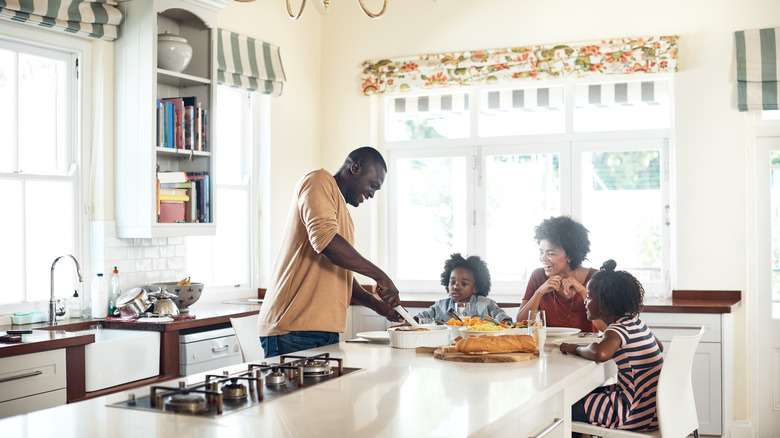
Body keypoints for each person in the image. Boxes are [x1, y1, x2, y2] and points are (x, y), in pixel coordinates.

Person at [258, 147, 402, 357]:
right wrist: (380, 276)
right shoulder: (318, 180)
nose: (372, 193)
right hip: (293, 329)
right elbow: (327, 244)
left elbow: (340, 275)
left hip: (325, 332)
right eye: (373, 185)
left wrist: (378, 306)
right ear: (355, 168)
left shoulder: (343, 214)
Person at [560, 259, 664, 434]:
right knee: (583, 395)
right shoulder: (635, 323)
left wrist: (575, 348)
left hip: (631, 412)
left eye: (590, 297)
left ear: (606, 302)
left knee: (564, 407)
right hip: (653, 411)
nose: (585, 301)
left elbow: (601, 354)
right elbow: (659, 346)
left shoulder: (616, 330)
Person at [516, 216, 607, 332]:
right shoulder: (538, 276)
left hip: (584, 347)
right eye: (541, 252)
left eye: (551, 253)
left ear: (570, 255)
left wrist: (584, 291)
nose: (543, 258)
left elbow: (605, 327)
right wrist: (539, 292)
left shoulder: (595, 278)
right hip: (547, 346)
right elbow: (520, 322)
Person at [414, 253, 511, 323]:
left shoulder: (486, 304)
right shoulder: (440, 306)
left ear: (476, 288)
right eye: (452, 282)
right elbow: (423, 317)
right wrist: (412, 320)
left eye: (464, 283)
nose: (456, 286)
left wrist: (505, 321)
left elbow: (499, 315)